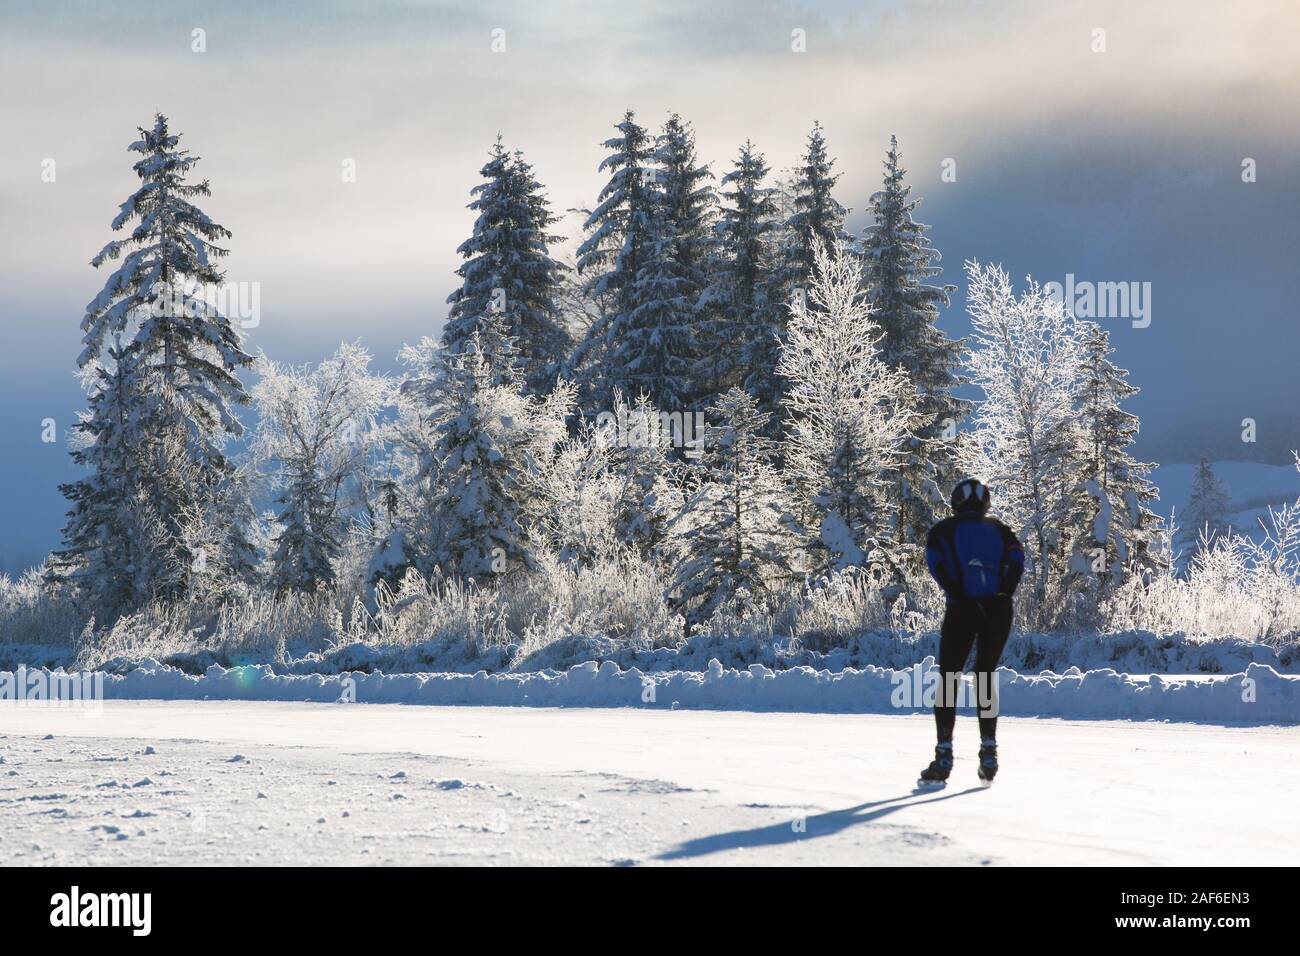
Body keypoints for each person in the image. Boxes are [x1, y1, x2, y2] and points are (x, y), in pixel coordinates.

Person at [918, 478, 1024, 786]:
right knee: (985, 675)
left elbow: (936, 566)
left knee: (949, 677)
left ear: (956, 503)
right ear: (985, 504)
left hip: (962, 608)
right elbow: (1017, 561)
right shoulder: (1001, 530)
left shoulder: (943, 530)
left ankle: (944, 755)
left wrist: (958, 592)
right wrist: (1004, 592)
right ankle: (989, 752)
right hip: (999, 610)